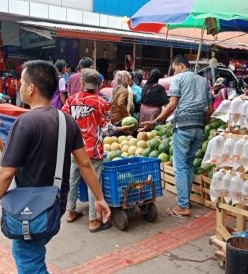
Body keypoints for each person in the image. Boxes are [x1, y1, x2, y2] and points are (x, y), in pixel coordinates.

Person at [0, 60, 111, 273]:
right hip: (55, 206)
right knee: (34, 258)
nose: (19, 87)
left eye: (21, 83)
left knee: (29, 263)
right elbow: (85, 163)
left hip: (30, 210)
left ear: (31, 88)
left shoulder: (25, 122)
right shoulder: (67, 120)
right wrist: (100, 199)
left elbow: (5, 173)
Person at [140, 55, 213, 218]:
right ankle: (185, 201)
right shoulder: (203, 81)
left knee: (180, 166)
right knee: (188, 164)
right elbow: (210, 109)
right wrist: (203, 122)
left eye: (174, 67)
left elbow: (172, 104)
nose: (173, 71)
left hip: (183, 127)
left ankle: (182, 206)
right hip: (199, 128)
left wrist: (156, 120)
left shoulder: (178, 79)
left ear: (180, 65)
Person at [62, 68, 132, 232]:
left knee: (73, 180)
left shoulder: (71, 100)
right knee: (94, 185)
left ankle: (70, 211)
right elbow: (107, 129)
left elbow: (64, 122)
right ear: (98, 85)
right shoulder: (101, 103)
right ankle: (94, 220)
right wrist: (121, 129)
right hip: (93, 150)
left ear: (81, 83)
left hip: (75, 149)